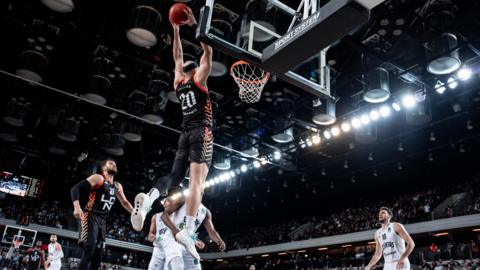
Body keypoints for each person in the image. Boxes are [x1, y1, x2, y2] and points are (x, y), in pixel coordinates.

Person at [132, 7, 214, 259]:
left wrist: (176, 29)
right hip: (201, 131)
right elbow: (208, 51)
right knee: (197, 184)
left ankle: (150, 197)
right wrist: (194, 24)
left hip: (184, 133)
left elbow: (176, 55)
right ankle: (188, 232)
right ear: (195, 69)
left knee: (175, 178)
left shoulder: (178, 83)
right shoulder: (199, 79)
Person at [70, 158, 134, 270]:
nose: (114, 164)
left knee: (98, 255)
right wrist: (77, 206)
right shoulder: (99, 178)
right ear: (103, 167)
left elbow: (124, 202)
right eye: (111, 163)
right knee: (89, 248)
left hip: (102, 221)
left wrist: (135, 213)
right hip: (90, 216)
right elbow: (75, 188)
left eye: (115, 163)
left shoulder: (117, 186)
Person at [161, 192, 225, 263]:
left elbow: (211, 231)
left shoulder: (206, 212)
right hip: (171, 239)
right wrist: (179, 233)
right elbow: (164, 215)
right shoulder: (183, 199)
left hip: (187, 243)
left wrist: (220, 240)